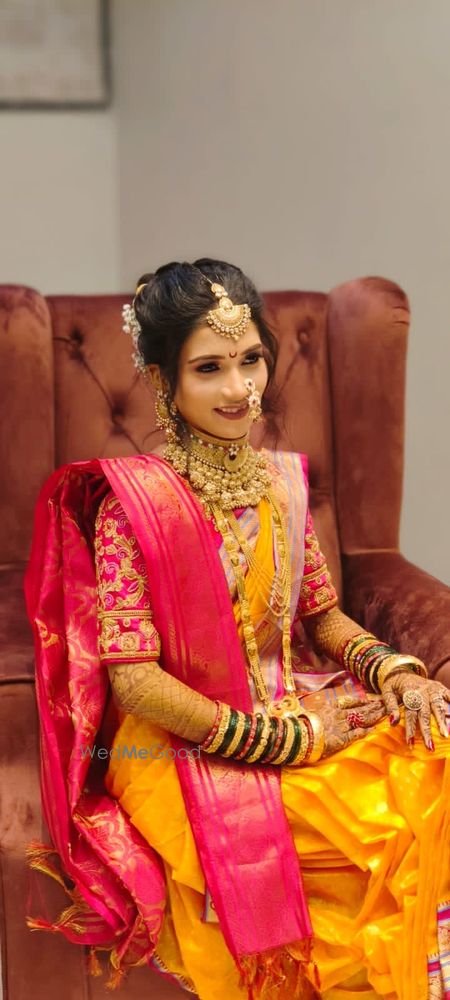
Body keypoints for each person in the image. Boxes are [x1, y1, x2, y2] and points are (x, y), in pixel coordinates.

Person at [25, 259, 450, 1000]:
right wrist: (283, 741)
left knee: (434, 762)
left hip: (294, 703)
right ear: (162, 380)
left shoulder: (279, 485)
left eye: (251, 360)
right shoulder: (134, 506)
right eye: (209, 368)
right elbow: (135, 682)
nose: (239, 389)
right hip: (182, 742)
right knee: (381, 831)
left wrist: (395, 671)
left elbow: (321, 614)